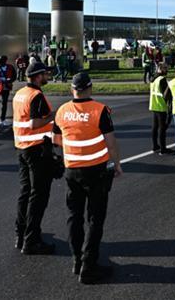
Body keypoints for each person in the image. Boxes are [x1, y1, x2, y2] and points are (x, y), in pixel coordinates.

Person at [53, 72, 123, 284]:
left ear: (72, 89)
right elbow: (111, 143)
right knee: (95, 218)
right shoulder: (100, 110)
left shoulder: (62, 111)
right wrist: (117, 164)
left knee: (74, 217)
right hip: (96, 172)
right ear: (90, 88)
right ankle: (89, 266)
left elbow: (57, 140)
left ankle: (77, 260)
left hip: (72, 171)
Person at [12, 61, 56, 255]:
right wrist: (53, 116)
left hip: (22, 148)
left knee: (25, 193)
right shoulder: (36, 95)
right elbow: (34, 123)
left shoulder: (20, 93)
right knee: (38, 196)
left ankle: (20, 234)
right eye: (45, 74)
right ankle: (31, 241)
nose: (47, 76)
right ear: (38, 76)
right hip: (36, 150)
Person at [149, 63, 174, 155]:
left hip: (153, 104)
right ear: (161, 69)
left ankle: (155, 146)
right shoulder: (162, 79)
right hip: (161, 105)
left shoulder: (153, 78)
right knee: (162, 128)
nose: (167, 70)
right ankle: (163, 149)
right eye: (165, 68)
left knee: (155, 127)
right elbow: (166, 95)